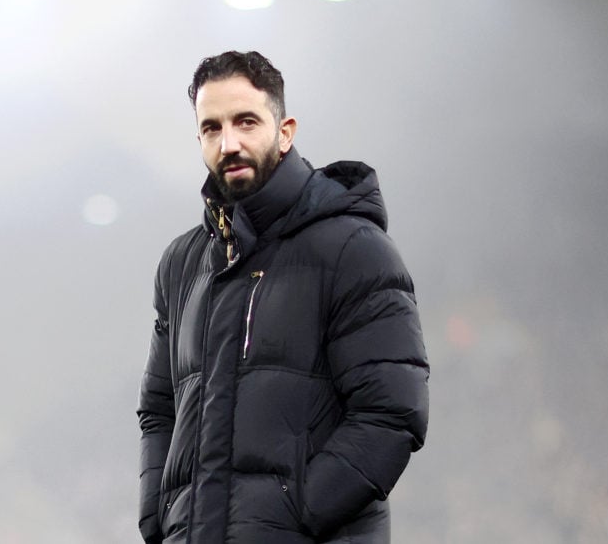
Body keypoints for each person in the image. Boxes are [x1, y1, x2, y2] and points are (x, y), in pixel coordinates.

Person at [137, 51, 429, 543]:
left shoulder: (353, 249)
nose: (228, 143)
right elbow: (159, 409)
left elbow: (391, 414)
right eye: (211, 128)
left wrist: (295, 517)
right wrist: (160, 519)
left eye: (245, 121)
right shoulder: (181, 265)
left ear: (285, 131)